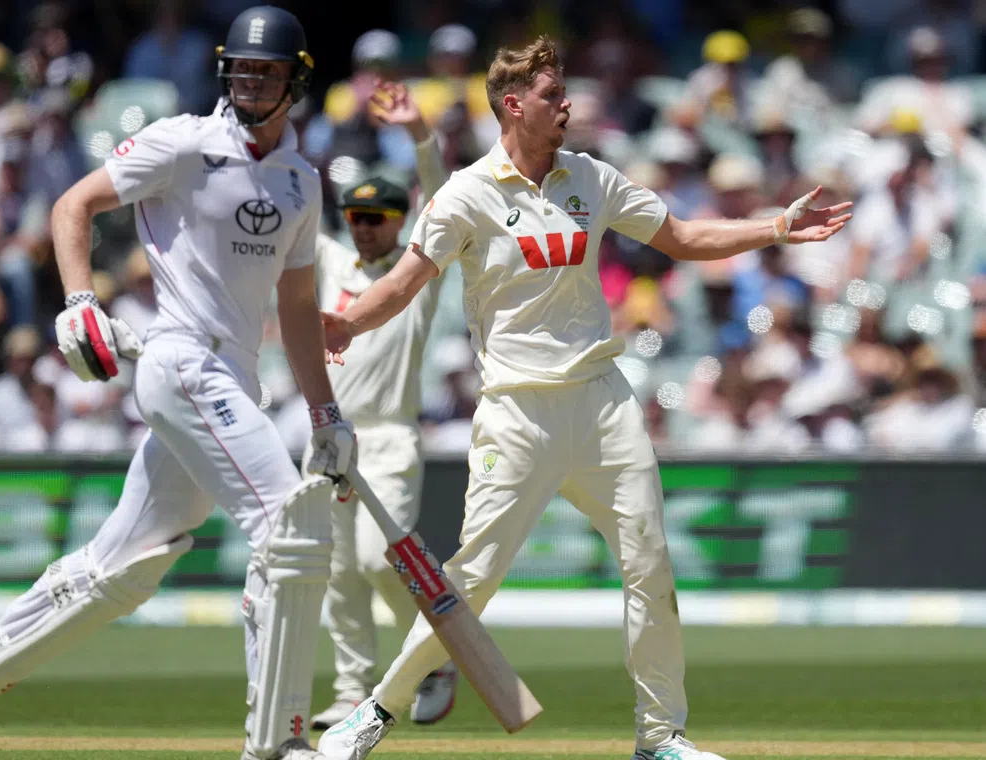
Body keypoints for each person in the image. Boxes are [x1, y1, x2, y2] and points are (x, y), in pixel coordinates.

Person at [317, 36, 851, 760]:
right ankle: (372, 714)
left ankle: (660, 737)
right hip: (517, 410)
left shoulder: (591, 178)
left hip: (602, 401)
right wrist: (347, 321)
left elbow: (685, 237)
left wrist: (778, 226)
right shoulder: (467, 194)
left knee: (650, 564)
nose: (567, 103)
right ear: (513, 105)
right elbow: (405, 282)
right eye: (550, 95)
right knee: (470, 578)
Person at [0, 8, 355, 760]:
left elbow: (294, 310)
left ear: (297, 79)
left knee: (119, 572)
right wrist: (80, 300)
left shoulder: (300, 180)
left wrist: (326, 416)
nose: (251, 83)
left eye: (268, 71)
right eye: (242, 69)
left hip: (237, 381)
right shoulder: (185, 142)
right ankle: (280, 744)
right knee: (289, 528)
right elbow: (73, 206)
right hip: (182, 364)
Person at [306, 81, 458, 731]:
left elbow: (441, 196)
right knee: (337, 571)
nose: (364, 228)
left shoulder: (415, 276)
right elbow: (287, 219)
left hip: (391, 437)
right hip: (330, 436)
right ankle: (349, 689)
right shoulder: (332, 261)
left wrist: (420, 134)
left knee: (379, 557)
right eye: (356, 217)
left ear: (400, 222)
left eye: (377, 218)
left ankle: (432, 655)